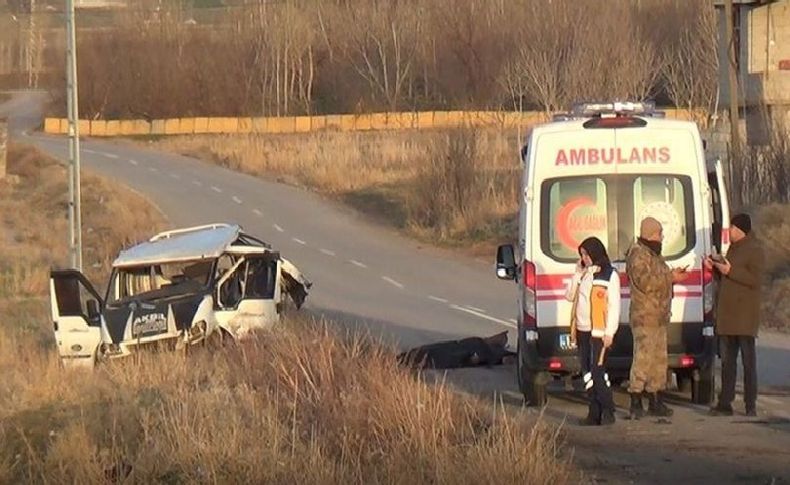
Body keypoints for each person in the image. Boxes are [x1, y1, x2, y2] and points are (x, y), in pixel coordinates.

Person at [625, 217, 688, 420]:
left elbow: (660, 277)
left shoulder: (654, 255)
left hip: (659, 317)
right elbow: (646, 282)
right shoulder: (638, 255)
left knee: (659, 361)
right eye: (659, 233)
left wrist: (672, 274)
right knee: (643, 359)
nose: (661, 237)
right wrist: (671, 278)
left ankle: (656, 399)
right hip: (645, 317)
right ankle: (635, 399)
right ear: (650, 233)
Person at [706, 213, 765, 417]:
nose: (729, 231)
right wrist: (715, 268)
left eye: (732, 228)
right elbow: (727, 277)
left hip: (745, 318)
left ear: (741, 230)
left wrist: (730, 270)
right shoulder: (732, 249)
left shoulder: (755, 250)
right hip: (727, 317)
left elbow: (755, 279)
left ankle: (750, 404)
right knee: (727, 364)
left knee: (748, 364)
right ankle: (725, 403)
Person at [565, 237, 621, 426]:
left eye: (586, 254)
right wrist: (576, 274)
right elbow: (569, 296)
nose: (584, 258)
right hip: (582, 330)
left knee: (597, 372)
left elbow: (614, 306)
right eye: (582, 255)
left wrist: (610, 332)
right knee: (587, 373)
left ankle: (608, 409)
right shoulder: (584, 274)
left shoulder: (609, 275)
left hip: (599, 332)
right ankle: (593, 411)